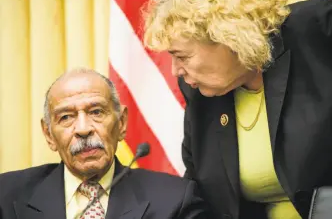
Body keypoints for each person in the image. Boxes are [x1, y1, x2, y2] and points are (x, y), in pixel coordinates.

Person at [143, 0, 332, 219]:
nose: (175, 71)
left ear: (228, 36)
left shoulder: (318, 28)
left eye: (182, 56)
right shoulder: (200, 94)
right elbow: (198, 193)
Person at [0, 68, 208, 219]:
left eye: (96, 112)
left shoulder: (175, 199)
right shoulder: (6, 195)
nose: (83, 129)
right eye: (66, 117)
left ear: (121, 123)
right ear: (48, 135)